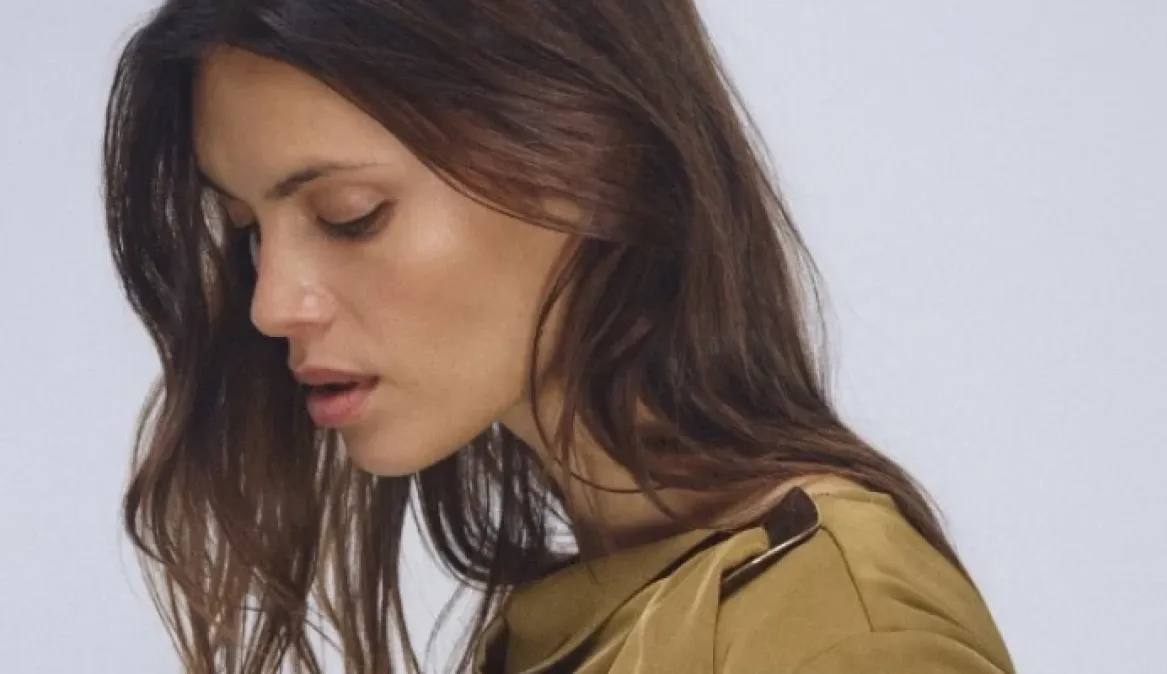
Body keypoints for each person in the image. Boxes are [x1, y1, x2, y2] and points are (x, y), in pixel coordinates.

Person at [102, 1, 1015, 673]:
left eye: (350, 214)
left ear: (587, 154)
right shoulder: (576, 624)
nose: (271, 305)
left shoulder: (835, 634)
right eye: (249, 233)